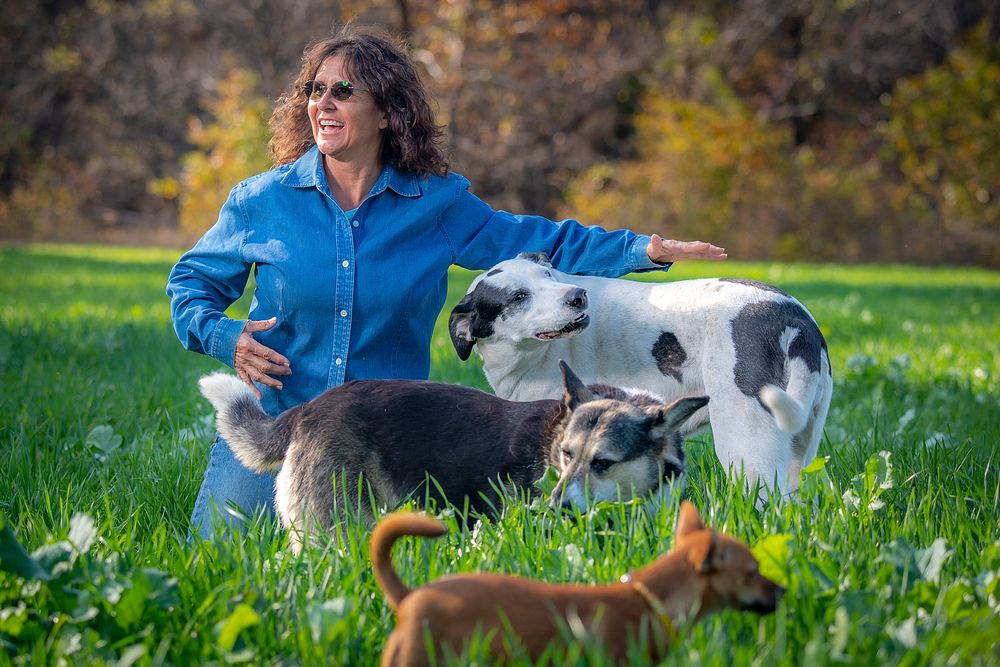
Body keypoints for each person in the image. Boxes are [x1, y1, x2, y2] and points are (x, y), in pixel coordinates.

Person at [167, 24, 726, 539]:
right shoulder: (260, 201)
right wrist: (226, 338)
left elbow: (535, 240)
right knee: (222, 554)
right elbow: (190, 284)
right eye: (315, 90)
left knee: (372, 568)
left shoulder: (435, 203)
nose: (324, 103)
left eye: (343, 91)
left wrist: (638, 248)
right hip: (276, 415)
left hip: (392, 440)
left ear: (387, 113)